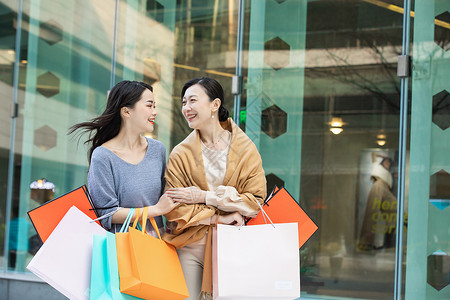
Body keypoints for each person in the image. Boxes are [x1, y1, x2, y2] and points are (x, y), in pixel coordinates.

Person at [162, 77, 267, 299]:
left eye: (192, 100)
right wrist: (219, 217)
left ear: (215, 104)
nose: (186, 108)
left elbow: (255, 202)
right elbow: (174, 210)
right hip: (190, 246)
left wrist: (204, 197)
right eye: (183, 102)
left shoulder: (246, 149)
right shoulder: (180, 153)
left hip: (233, 246)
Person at [69, 80, 177, 234]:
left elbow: (166, 195)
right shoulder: (103, 156)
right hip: (122, 246)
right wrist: (156, 210)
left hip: (157, 243)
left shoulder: (157, 149)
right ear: (126, 111)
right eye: (149, 105)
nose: (154, 112)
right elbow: (106, 214)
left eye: (154, 106)